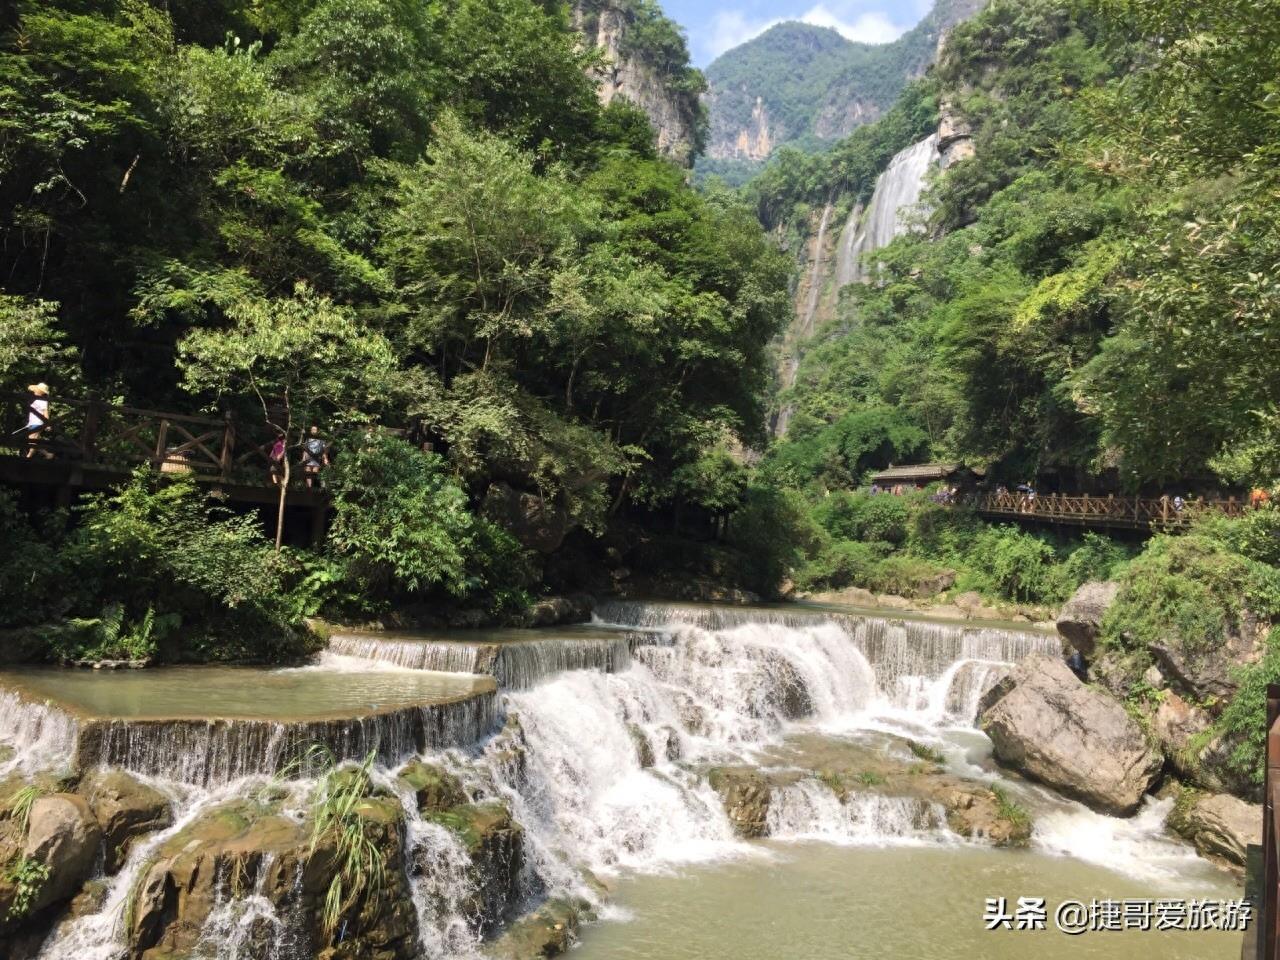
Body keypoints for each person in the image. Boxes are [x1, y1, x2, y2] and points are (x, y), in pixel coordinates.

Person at [24, 383, 49, 458]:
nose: (35, 390)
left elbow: (45, 412)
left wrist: (47, 423)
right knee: (33, 441)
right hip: (32, 423)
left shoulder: (43, 401)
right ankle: (48, 454)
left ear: (40, 391)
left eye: (37, 389)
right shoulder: (37, 399)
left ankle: (28, 457)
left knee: (32, 441)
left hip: (38, 423)